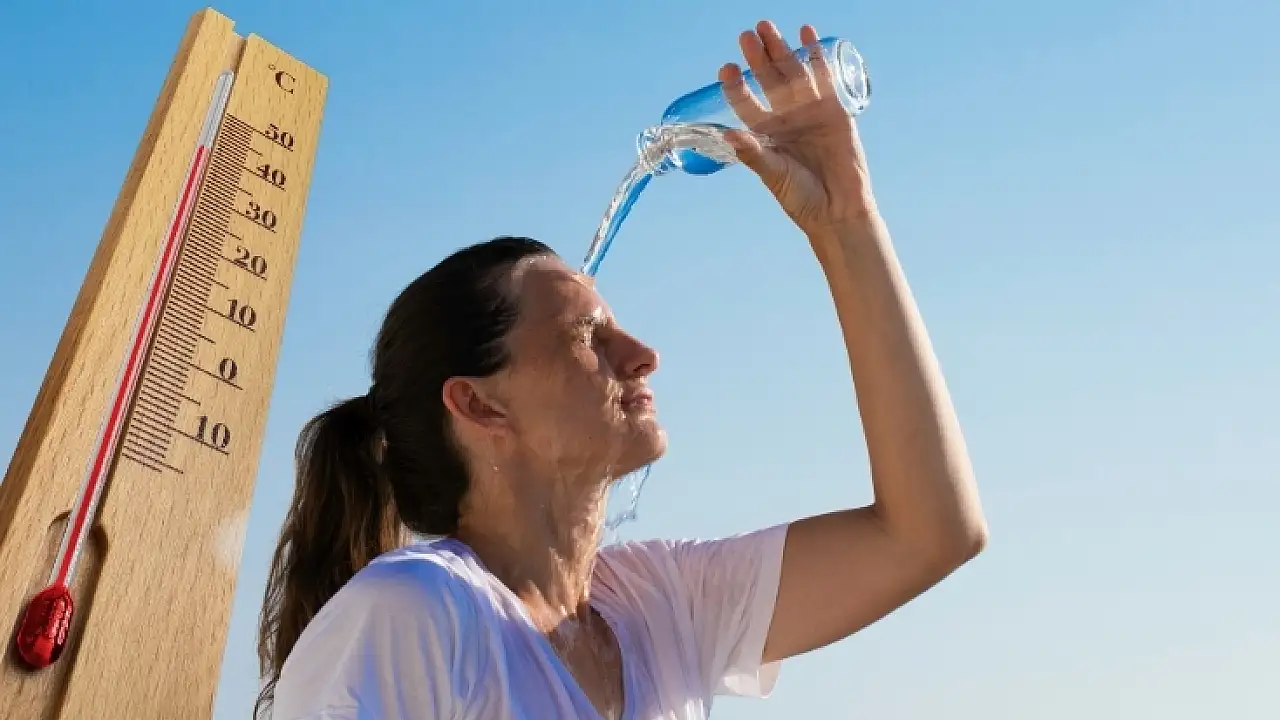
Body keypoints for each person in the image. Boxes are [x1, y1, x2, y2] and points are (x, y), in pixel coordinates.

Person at [255, 20, 988, 720]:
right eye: (587, 337)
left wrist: (845, 221)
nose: (643, 355)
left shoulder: (660, 605)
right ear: (480, 406)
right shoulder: (418, 612)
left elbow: (931, 534)